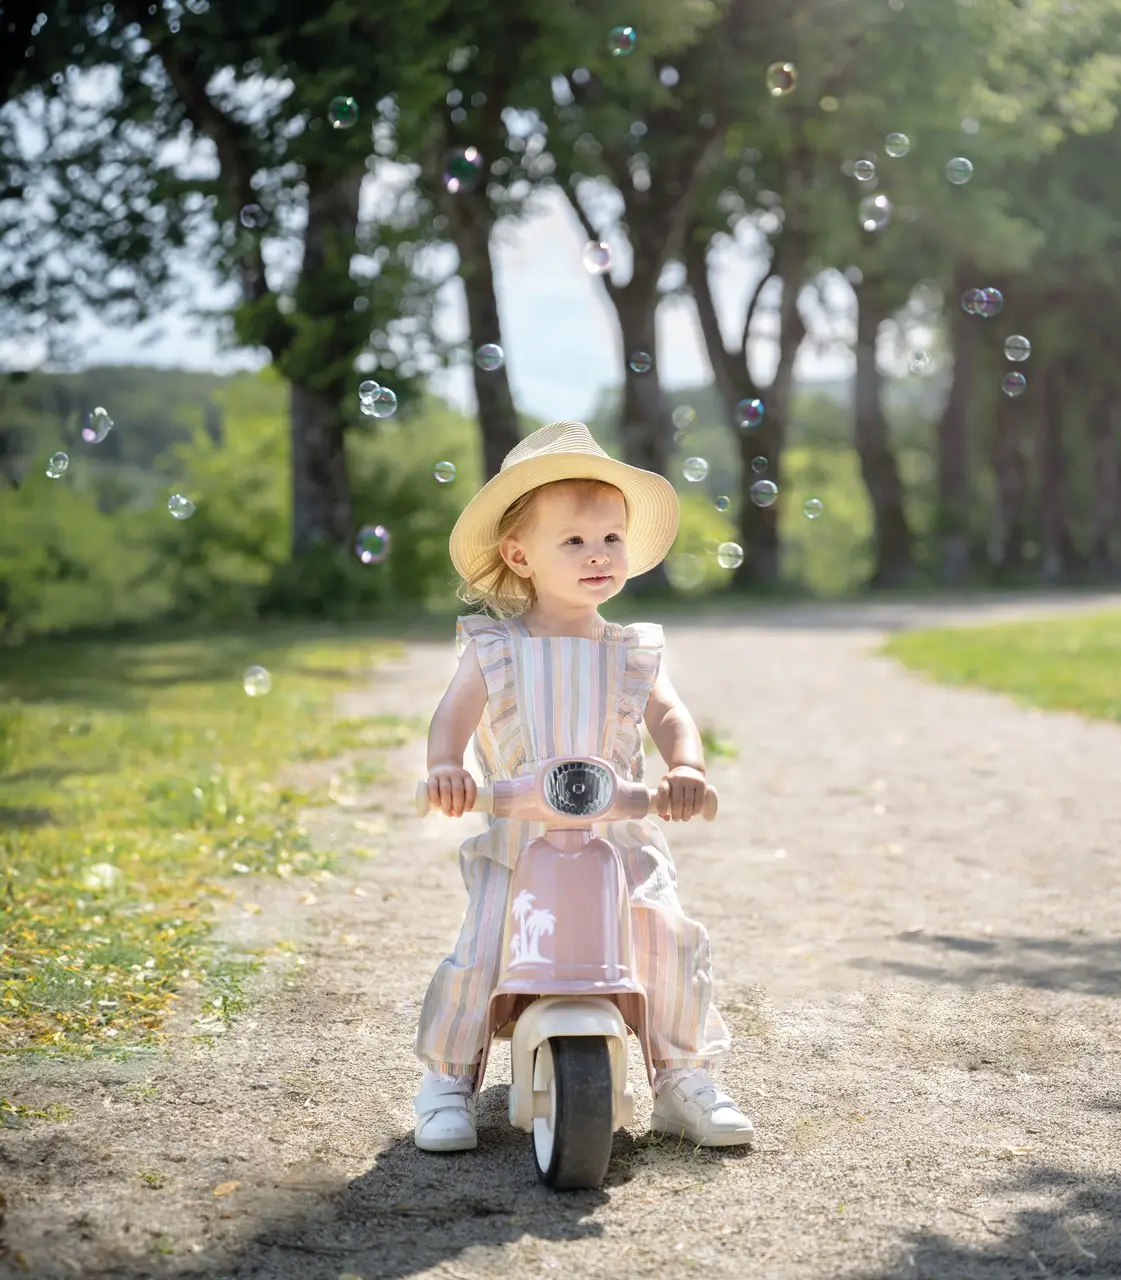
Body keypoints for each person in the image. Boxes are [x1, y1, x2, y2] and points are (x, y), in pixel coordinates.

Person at [412, 420, 755, 1152]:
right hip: (520, 828)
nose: (597, 554)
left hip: (621, 827)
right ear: (519, 555)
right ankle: (446, 1080)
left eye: (611, 538)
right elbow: (452, 718)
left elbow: (669, 715)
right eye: (573, 541)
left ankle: (681, 1076)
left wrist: (685, 769)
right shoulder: (495, 647)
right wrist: (450, 770)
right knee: (482, 947)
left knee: (662, 934)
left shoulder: (632, 649)